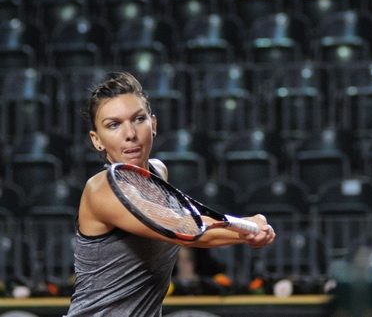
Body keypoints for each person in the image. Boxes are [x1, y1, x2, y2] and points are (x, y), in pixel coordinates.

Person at [65, 72, 275, 316]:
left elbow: (190, 223)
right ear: (97, 140)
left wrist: (248, 231)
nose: (130, 133)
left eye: (138, 119)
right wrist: (248, 228)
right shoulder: (100, 189)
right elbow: (186, 229)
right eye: (113, 125)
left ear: (153, 124)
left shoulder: (158, 172)